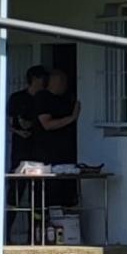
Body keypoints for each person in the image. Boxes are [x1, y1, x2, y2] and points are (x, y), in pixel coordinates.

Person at [35, 68, 81, 208]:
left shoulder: (65, 99)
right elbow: (47, 124)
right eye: (63, 82)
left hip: (66, 157)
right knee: (46, 195)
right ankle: (40, 227)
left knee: (66, 195)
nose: (65, 85)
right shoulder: (42, 98)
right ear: (56, 81)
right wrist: (72, 118)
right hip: (46, 157)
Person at [8, 65, 49, 170]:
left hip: (40, 145)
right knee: (18, 178)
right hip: (21, 146)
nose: (45, 81)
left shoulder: (45, 98)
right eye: (42, 78)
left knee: (39, 179)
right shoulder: (17, 98)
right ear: (34, 79)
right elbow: (9, 122)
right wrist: (19, 131)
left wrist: (33, 124)